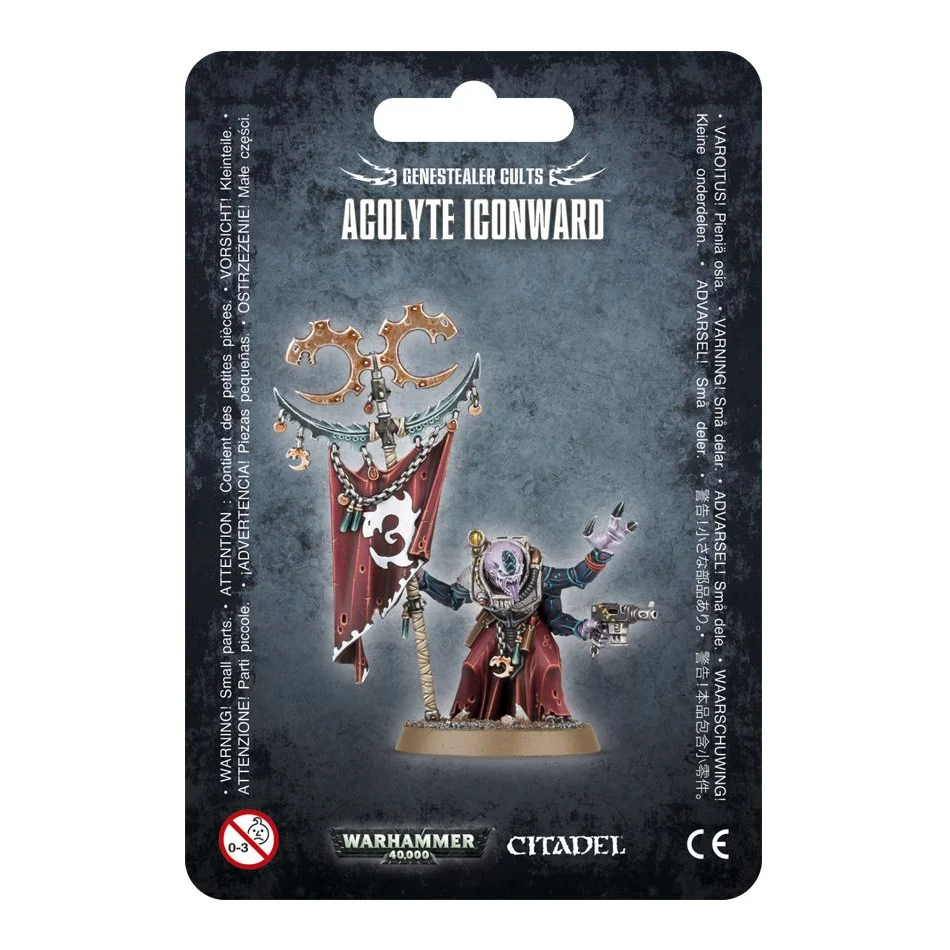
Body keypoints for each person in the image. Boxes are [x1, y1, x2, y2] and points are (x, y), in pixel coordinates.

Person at [417, 505, 635, 721]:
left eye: (516, 577)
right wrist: (422, 579)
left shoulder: (538, 575)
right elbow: (451, 598)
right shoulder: (474, 577)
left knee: (548, 666)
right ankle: (465, 715)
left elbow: (575, 578)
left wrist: (601, 553)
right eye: (503, 579)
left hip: (532, 624)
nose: (511, 586)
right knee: (472, 666)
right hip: (495, 625)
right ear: (490, 572)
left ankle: (551, 715)